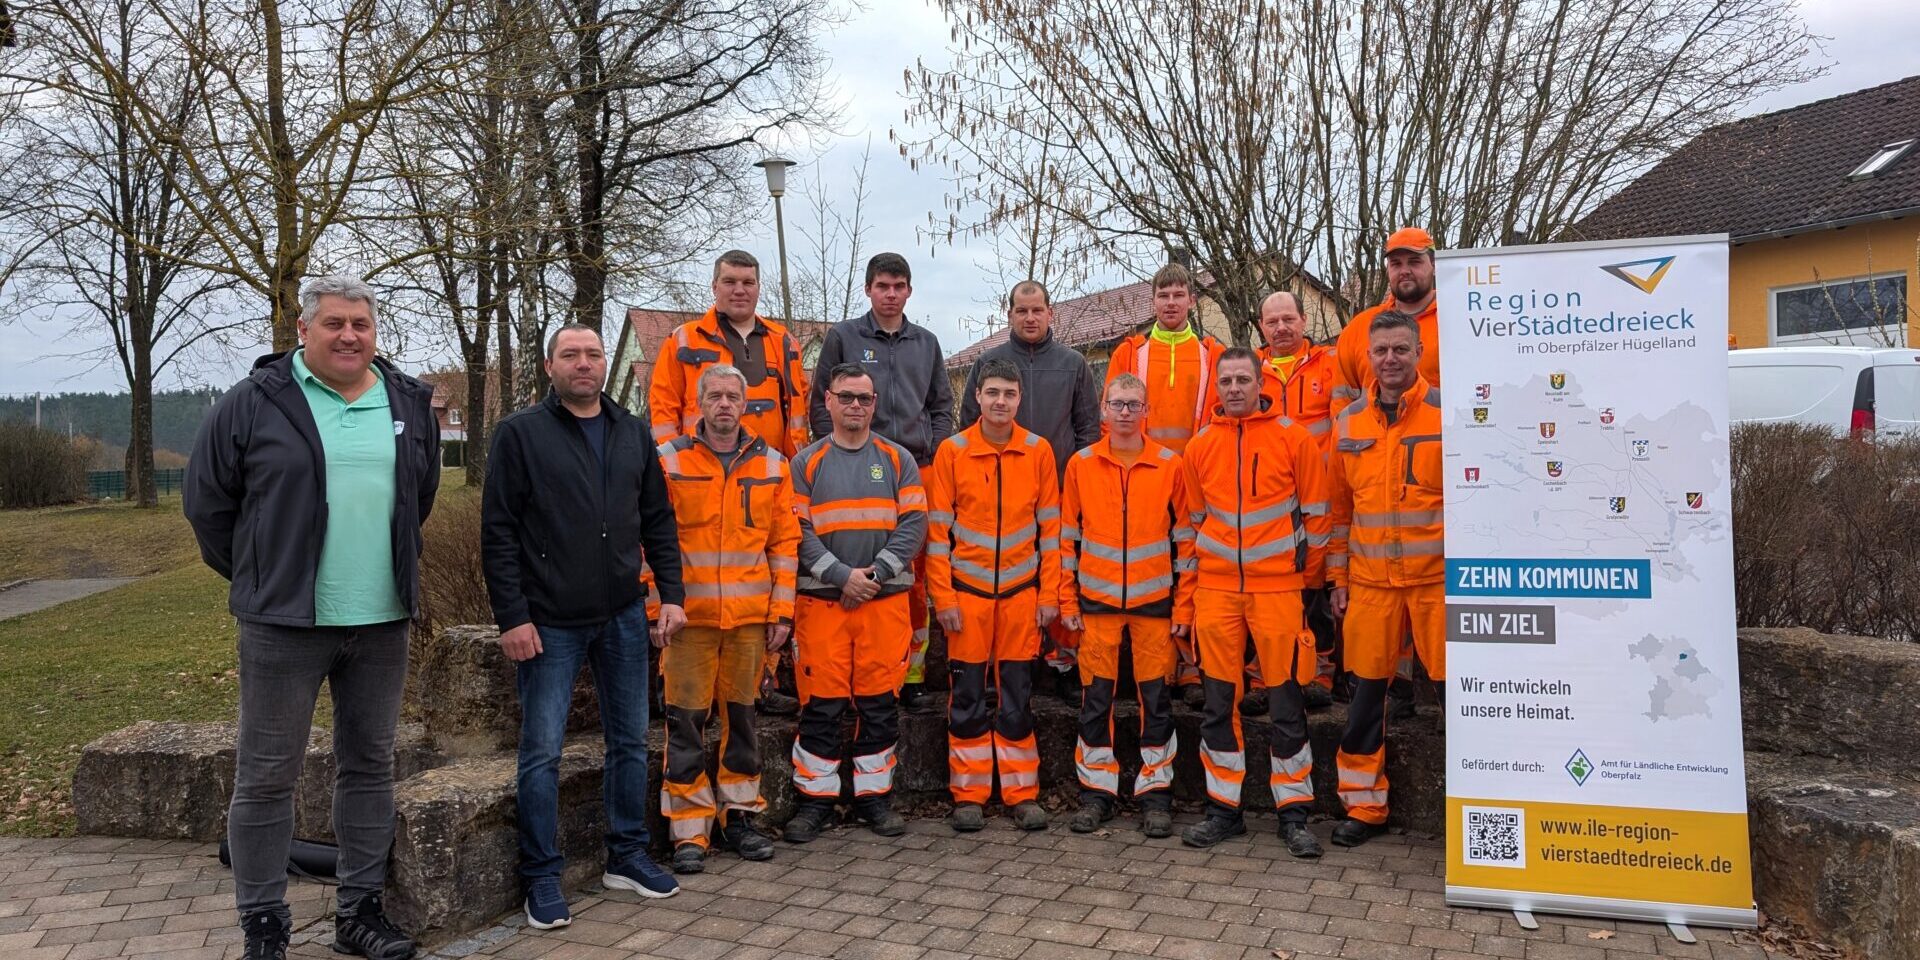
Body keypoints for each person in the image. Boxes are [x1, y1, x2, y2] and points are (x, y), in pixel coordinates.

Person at [186, 275, 440, 960]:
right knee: (267, 776)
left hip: (381, 619)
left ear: (374, 331)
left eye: (361, 324)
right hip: (283, 626)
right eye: (334, 323)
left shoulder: (408, 401)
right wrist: (264, 575)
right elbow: (208, 507)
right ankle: (264, 926)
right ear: (303, 330)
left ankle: (358, 913)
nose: (349, 335)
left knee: (370, 766)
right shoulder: (252, 403)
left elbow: (417, 497)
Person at [483, 324, 687, 930]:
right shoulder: (521, 434)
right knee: (541, 752)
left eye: (593, 354)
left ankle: (626, 855)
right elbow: (498, 532)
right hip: (549, 621)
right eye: (570, 355)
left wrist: (671, 596)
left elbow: (658, 519)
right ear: (550, 366)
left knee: (630, 741)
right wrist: (512, 616)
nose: (584, 363)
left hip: (623, 613)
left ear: (604, 364)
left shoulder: (632, 432)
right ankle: (541, 876)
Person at [645, 364, 799, 875]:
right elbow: (650, 541)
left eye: (734, 396)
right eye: (715, 396)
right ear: (700, 402)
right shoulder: (668, 460)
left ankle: (740, 817)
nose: (725, 404)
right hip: (687, 621)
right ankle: (689, 830)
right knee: (685, 724)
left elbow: (784, 545)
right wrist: (657, 609)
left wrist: (781, 612)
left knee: (744, 722)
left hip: (749, 621)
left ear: (746, 403)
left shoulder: (774, 465)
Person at [1178, 348, 1330, 859]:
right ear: (1217, 387)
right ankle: (1224, 810)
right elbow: (1194, 524)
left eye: (1243, 379)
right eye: (1226, 381)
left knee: (1287, 704)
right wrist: (1194, 595)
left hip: (1279, 592)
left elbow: (1317, 517)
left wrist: (1302, 580)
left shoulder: (1293, 437)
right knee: (1219, 705)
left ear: (1260, 382)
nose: (1235, 388)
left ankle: (1294, 814)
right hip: (1216, 593)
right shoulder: (1199, 446)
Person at [649, 249, 811, 716]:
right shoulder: (684, 340)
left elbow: (796, 411)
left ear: (759, 288)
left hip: (766, 481)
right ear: (714, 286)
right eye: (730, 281)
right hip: (695, 480)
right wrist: (674, 469)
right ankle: (671, 681)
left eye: (748, 282)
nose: (739, 290)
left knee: (763, 580)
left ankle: (762, 681)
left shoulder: (783, 342)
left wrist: (794, 473)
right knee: (688, 575)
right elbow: (663, 411)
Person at [783, 363, 928, 843]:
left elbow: (914, 525)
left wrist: (876, 573)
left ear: (874, 404)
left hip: (883, 604)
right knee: (820, 706)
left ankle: (874, 798)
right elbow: (796, 530)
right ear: (828, 400)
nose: (855, 406)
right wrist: (841, 576)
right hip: (823, 604)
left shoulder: (897, 459)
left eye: (864, 399)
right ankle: (815, 802)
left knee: (880, 704)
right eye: (846, 397)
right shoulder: (805, 463)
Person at [808, 252, 953, 712]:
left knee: (914, 576)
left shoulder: (926, 342)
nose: (891, 294)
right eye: (882, 286)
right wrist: (837, 454)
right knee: (852, 562)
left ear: (909, 290)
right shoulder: (843, 336)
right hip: (853, 466)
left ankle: (910, 671)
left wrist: (932, 448)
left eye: (898, 286)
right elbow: (820, 404)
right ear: (868, 289)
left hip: (915, 467)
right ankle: (855, 670)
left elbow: (942, 406)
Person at [926, 357, 1063, 833]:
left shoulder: (1039, 451)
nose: (1000, 401)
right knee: (966, 695)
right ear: (978, 397)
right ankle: (968, 794)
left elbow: (1051, 533)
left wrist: (1050, 595)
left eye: (1009, 393)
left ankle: (1022, 794)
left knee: (1017, 696)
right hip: (967, 597)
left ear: (1019, 399)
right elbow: (937, 535)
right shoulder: (953, 452)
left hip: (1023, 597)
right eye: (992, 393)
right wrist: (944, 599)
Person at [1327, 311, 1446, 848]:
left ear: (1419, 352)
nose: (1391, 359)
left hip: (1437, 582)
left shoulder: (1450, 414)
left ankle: (1475, 803)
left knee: (1460, 698)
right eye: (1381, 351)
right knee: (1364, 702)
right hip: (1371, 583)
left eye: (1401, 349)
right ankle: (1364, 806)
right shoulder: (1348, 423)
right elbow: (1339, 510)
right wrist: (1338, 577)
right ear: (1368, 357)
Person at [1059, 373, 1195, 838]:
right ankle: (1097, 793)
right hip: (1096, 606)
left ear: (1146, 411)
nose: (1124, 412)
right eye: (1116, 404)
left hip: (1154, 606)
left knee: (1156, 703)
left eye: (1133, 404)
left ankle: (1156, 795)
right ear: (1103, 409)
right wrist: (1067, 598)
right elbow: (1066, 540)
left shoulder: (1170, 465)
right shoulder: (1081, 465)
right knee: (1095, 702)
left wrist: (1184, 608)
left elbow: (1186, 544)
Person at [958, 280, 1100, 695]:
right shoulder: (989, 362)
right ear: (1010, 315)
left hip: (1060, 491)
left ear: (1050, 313)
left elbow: (1088, 429)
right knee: (1001, 580)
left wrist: (1077, 482)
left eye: (1037, 310)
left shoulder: (1073, 363)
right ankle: (995, 664)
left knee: (1061, 575)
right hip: (998, 492)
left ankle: (1063, 662)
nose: (1030, 318)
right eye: (1022, 311)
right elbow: (968, 424)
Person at [1332, 227, 1442, 719]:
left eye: (1414, 261)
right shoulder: (1361, 327)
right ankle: (1395, 695)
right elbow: (1341, 399)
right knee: (1371, 684)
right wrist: (1351, 446)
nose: (1405, 271)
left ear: (1432, 263)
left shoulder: (1463, 317)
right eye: (1395, 263)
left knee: (1451, 676)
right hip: (1370, 474)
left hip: (1435, 540)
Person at [1257, 290, 1343, 711]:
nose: (1281, 328)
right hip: (1268, 505)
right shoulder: (1251, 372)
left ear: (1304, 321)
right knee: (1268, 596)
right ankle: (1265, 676)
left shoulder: (1330, 364)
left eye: (1288, 319)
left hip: (1321, 497)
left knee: (1316, 590)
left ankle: (1320, 675)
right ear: (1261, 327)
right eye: (1272, 321)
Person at [1104, 263, 1226, 454]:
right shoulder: (1128, 355)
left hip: (1199, 464)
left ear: (1192, 300)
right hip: (1142, 465)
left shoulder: (1213, 357)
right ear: (1153, 301)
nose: (1171, 303)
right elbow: (1108, 418)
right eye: (1163, 296)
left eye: (1178, 295)